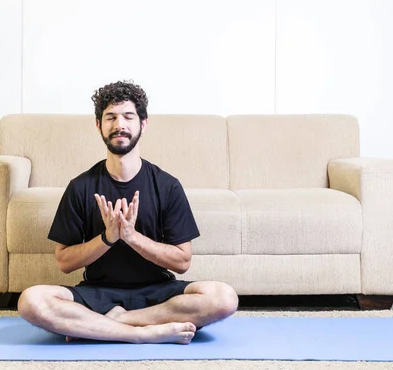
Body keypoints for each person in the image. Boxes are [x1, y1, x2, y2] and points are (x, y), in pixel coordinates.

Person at [18, 81, 238, 344]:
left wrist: (132, 237)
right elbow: (65, 262)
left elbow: (182, 261)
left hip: (159, 294)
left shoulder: (167, 186)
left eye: (128, 116)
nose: (119, 124)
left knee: (224, 298)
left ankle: (115, 323)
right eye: (110, 117)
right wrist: (108, 238)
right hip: (97, 293)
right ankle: (140, 333)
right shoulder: (81, 187)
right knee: (31, 301)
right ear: (98, 125)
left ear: (143, 123)